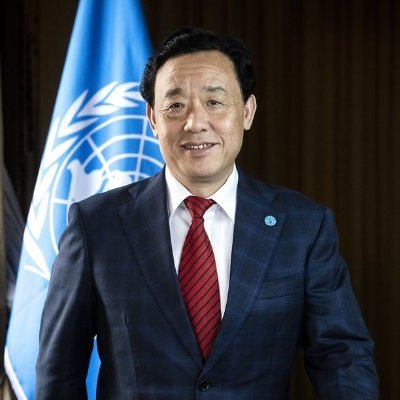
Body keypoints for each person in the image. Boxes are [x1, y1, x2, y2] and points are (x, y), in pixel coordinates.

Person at [36, 27, 379, 399]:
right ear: (152, 118)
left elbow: (341, 357)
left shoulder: (303, 228)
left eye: (214, 101)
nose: (195, 122)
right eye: (175, 105)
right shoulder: (96, 226)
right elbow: (59, 372)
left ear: (246, 111)